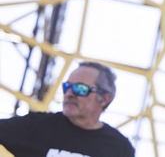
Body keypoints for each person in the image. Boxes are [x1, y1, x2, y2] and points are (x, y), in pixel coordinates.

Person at [0, 60, 135, 157]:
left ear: (104, 99)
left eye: (80, 89)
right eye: (67, 87)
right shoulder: (35, 126)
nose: (69, 94)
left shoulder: (119, 148)